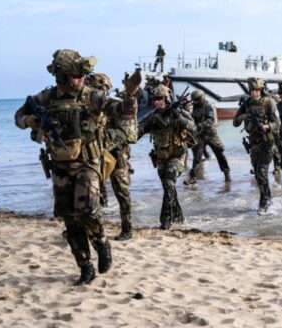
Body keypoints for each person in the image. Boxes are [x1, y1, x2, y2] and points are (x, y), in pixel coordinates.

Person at [14, 50, 111, 285]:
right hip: (60, 166)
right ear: (62, 76)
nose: (80, 79)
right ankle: (85, 267)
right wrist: (32, 121)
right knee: (70, 219)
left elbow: (118, 109)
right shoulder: (46, 98)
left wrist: (130, 98)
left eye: (82, 75)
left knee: (88, 210)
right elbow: (18, 117)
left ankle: (101, 242)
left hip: (88, 163)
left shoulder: (91, 96)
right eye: (75, 75)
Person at [86, 70, 141, 241]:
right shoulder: (89, 108)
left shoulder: (115, 106)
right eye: (93, 88)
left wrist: (105, 137)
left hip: (116, 156)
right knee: (90, 194)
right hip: (95, 156)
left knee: (122, 193)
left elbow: (128, 134)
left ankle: (127, 228)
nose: (97, 92)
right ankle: (90, 228)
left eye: (99, 88)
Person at [138, 84, 196, 229]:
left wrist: (179, 118)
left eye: (160, 99)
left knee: (170, 184)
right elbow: (137, 134)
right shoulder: (152, 116)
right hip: (161, 158)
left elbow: (194, 128)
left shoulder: (179, 112)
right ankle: (179, 217)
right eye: (155, 99)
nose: (157, 102)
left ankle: (165, 221)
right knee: (169, 189)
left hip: (178, 156)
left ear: (167, 98)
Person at [233, 78, 279, 215]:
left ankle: (263, 202)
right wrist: (242, 117)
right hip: (253, 144)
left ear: (262, 90)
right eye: (252, 91)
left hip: (267, 142)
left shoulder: (269, 102)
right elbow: (235, 122)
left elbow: (277, 123)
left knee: (261, 173)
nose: (254, 93)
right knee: (258, 174)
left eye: (257, 90)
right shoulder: (246, 104)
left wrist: (268, 126)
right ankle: (268, 196)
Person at [185, 89, 231, 187]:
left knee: (219, 153)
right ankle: (192, 178)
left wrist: (199, 126)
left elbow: (211, 120)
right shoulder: (195, 107)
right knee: (197, 157)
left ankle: (226, 173)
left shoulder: (209, 106)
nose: (195, 102)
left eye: (196, 100)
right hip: (200, 135)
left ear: (201, 98)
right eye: (194, 101)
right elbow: (192, 118)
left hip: (211, 134)